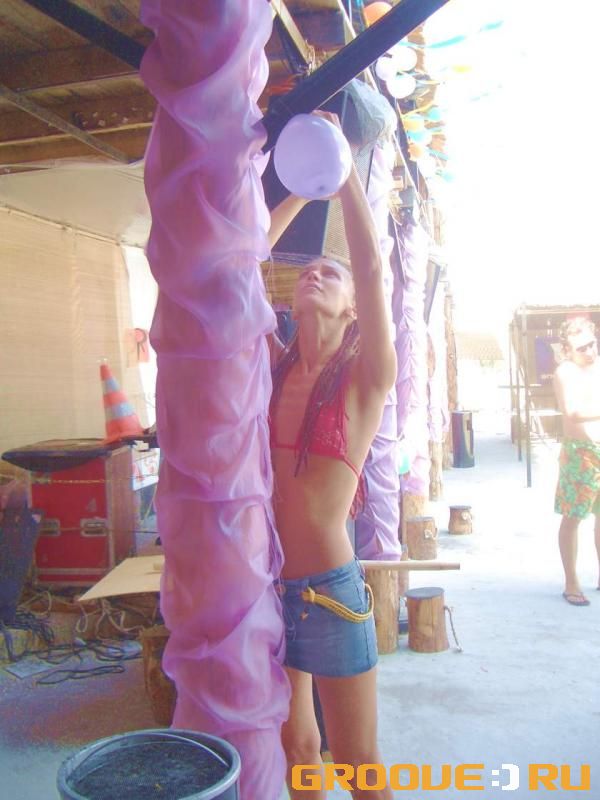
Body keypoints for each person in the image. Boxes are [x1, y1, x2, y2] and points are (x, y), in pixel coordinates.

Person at [267, 111, 396, 799]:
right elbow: (236, 266)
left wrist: (341, 172)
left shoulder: (366, 377)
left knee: (356, 762)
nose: (315, 273)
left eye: (330, 273)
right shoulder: (273, 365)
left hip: (331, 593)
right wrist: (299, 185)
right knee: (297, 747)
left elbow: (371, 269)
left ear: (352, 309)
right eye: (308, 271)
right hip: (266, 589)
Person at [553, 316, 600, 606]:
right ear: (568, 350)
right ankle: (571, 581)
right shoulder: (566, 372)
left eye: (593, 344)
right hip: (580, 454)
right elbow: (572, 411)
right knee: (573, 517)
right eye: (582, 347)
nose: (590, 351)